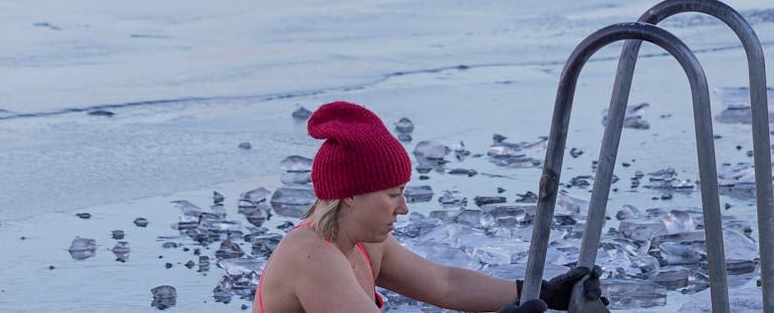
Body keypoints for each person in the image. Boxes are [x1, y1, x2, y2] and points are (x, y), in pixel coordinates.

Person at [255, 101, 605, 313]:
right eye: (392, 195)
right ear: (350, 194)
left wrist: (540, 292)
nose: (403, 208)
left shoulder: (363, 243)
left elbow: (445, 284)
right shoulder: (312, 257)